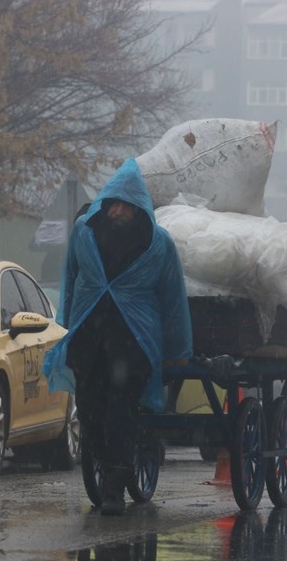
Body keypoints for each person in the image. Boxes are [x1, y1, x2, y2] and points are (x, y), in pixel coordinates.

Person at [43, 158, 192, 516]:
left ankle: (114, 488)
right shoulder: (84, 231)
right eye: (115, 204)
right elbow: (71, 276)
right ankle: (108, 466)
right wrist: (66, 321)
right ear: (106, 203)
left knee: (120, 410)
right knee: (91, 411)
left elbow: (173, 300)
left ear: (138, 207)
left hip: (134, 342)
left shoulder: (158, 244)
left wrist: (177, 351)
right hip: (89, 339)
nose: (119, 211)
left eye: (127, 205)